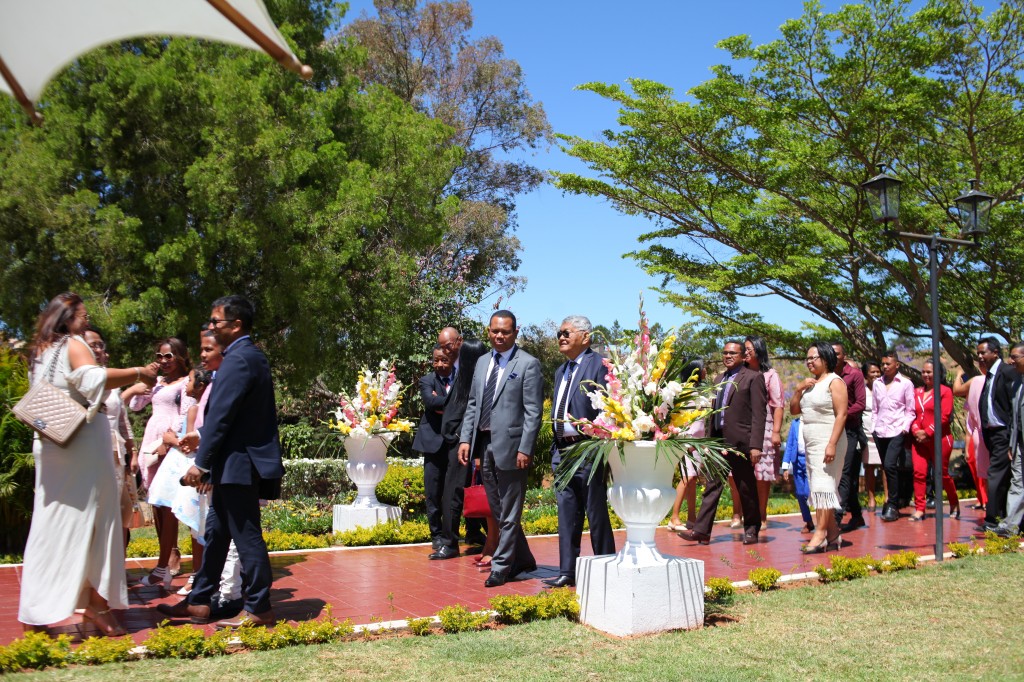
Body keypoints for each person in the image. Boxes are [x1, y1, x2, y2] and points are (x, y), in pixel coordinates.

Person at [18, 293, 158, 636]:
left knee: (50, 526)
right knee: (99, 524)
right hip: (80, 444)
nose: (87, 320)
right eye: (84, 314)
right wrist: (139, 371)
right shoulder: (72, 343)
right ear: (67, 317)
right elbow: (93, 380)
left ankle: (35, 611)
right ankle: (96, 604)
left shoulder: (39, 351)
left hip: (50, 443)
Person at [159, 295, 284, 628]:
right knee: (216, 534)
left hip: (239, 464)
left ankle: (259, 608)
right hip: (230, 464)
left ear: (236, 325)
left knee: (246, 536)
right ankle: (199, 601)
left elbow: (221, 418)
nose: (211, 326)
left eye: (216, 321)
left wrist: (200, 464)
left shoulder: (240, 359)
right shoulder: (242, 357)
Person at [458, 311, 543, 587]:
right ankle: (524, 559)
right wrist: (465, 439)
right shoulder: (482, 362)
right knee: (498, 509)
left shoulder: (528, 364)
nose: (499, 336)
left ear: (516, 333)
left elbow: (533, 411)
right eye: (495, 331)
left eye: (505, 331)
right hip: (483, 444)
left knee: (510, 509)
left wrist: (525, 448)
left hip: (512, 446)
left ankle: (502, 565)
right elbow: (473, 403)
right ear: (488, 331)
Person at [544, 315, 615, 588]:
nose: (561, 337)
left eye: (566, 333)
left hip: (587, 448)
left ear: (586, 336)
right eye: (559, 334)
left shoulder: (599, 365)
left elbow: (608, 409)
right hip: (562, 451)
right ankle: (567, 571)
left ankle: (606, 565)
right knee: (566, 511)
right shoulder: (561, 371)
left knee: (595, 510)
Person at [121, 337, 193, 590]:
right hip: (152, 443)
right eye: (159, 356)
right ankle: (166, 558)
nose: (163, 361)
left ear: (181, 356)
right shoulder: (159, 383)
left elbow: (187, 413)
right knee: (157, 504)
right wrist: (146, 382)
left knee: (169, 503)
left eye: (169, 356)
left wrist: (170, 441)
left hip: (169, 445)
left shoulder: (187, 382)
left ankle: (168, 561)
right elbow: (135, 405)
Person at [679, 340, 767, 545]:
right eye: (725, 353)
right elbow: (713, 413)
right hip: (718, 442)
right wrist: (709, 441)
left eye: (732, 353)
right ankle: (702, 531)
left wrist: (756, 446)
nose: (727, 356)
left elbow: (759, 415)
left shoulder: (754, 378)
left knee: (745, 487)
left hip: (741, 443)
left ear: (743, 356)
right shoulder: (719, 378)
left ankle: (752, 528)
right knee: (712, 485)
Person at [431, 339, 491, 561]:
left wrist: (455, 436)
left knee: (454, 493)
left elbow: (462, 413)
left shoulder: (474, 380)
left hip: (462, 444)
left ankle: (451, 542)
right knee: (456, 493)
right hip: (460, 442)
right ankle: (464, 537)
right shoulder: (466, 378)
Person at [83, 328, 139, 553]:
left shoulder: (112, 378)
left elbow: (123, 420)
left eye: (100, 345)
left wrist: (132, 451)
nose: (97, 349)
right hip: (87, 451)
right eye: (91, 345)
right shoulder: (79, 378)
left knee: (117, 510)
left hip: (115, 454)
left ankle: (114, 568)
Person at [790, 342, 848, 553]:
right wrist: (798, 390)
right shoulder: (810, 384)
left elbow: (842, 414)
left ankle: (820, 534)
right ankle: (833, 535)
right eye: (808, 358)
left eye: (814, 357)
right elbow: (795, 410)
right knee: (818, 488)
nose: (810, 361)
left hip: (829, 440)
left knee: (824, 487)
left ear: (826, 358)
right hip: (811, 442)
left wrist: (831, 444)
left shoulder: (835, 381)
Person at [412, 345, 454, 552]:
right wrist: (453, 403)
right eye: (436, 360)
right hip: (433, 444)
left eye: (444, 360)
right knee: (433, 493)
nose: (439, 364)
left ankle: (450, 535)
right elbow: (430, 401)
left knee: (453, 493)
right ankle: (436, 535)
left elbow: (467, 403)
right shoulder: (427, 380)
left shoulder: (461, 379)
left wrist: (444, 403)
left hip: (455, 443)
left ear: (452, 360)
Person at [975, 336, 1016, 530]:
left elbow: (1013, 404)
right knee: (1002, 476)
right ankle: (1003, 516)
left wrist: (1011, 434)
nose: (980, 357)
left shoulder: (1007, 371)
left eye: (983, 353)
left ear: (995, 352)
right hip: (991, 434)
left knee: (995, 475)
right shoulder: (989, 375)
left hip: (1004, 433)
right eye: (978, 354)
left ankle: (991, 519)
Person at [909, 360, 959, 521]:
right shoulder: (916, 392)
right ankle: (920, 509)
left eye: (929, 372)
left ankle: (954, 503)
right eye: (923, 372)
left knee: (942, 474)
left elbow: (944, 416)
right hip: (919, 441)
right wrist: (916, 430)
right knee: (919, 473)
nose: (926, 375)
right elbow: (912, 413)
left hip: (940, 439)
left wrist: (928, 432)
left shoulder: (944, 391)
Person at [744, 336, 784, 525]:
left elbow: (778, 405)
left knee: (763, 473)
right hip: (743, 427)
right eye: (744, 349)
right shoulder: (740, 373)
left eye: (749, 349)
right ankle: (743, 514)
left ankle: (761, 514)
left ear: (758, 350)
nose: (745, 352)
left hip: (766, 428)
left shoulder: (770, 374)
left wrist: (776, 431)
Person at [872, 350, 915, 522]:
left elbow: (910, 410)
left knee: (890, 465)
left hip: (897, 430)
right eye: (883, 364)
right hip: (880, 430)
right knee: (886, 467)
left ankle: (893, 504)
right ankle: (893, 501)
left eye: (888, 364)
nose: (884, 367)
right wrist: (873, 427)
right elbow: (875, 408)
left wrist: (904, 428)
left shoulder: (905, 383)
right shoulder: (877, 383)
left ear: (897, 365)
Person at [668, 359, 707, 531]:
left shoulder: (702, 391)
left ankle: (692, 517)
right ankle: (674, 517)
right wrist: (686, 439)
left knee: (692, 480)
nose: (706, 370)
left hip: (698, 441)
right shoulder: (683, 391)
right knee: (688, 477)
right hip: (687, 441)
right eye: (703, 367)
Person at [832, 343, 867, 531]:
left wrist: (841, 413)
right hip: (829, 431)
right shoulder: (826, 376)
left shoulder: (854, 375)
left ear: (844, 356)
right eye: (831, 353)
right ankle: (858, 515)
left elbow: (861, 404)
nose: (834, 356)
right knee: (842, 476)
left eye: (837, 353)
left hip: (850, 430)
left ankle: (836, 518)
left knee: (844, 474)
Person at [994, 341, 1024, 537]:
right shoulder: (1016, 384)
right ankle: (1009, 526)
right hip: (1019, 442)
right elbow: (1014, 418)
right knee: (1018, 481)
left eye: (1015, 357)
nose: (1010, 361)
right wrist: (1012, 444)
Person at [954, 364, 990, 513]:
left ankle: (987, 501)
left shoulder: (980, 381)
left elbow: (956, 390)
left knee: (985, 470)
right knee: (976, 466)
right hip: (975, 433)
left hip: (986, 433)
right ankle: (983, 499)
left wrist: (958, 375)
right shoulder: (975, 383)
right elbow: (970, 423)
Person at [780, 417, 813, 532]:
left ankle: (823, 521)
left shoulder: (813, 421)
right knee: (799, 493)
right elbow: (789, 445)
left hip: (811, 461)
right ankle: (808, 521)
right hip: (797, 461)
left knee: (806, 492)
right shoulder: (795, 423)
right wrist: (785, 466)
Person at [861, 360, 885, 514]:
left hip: (884, 431)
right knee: (869, 467)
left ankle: (888, 498)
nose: (876, 375)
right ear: (865, 375)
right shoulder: (862, 391)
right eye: (872, 372)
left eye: (878, 372)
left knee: (886, 466)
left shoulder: (885, 388)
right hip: (867, 432)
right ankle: (871, 498)